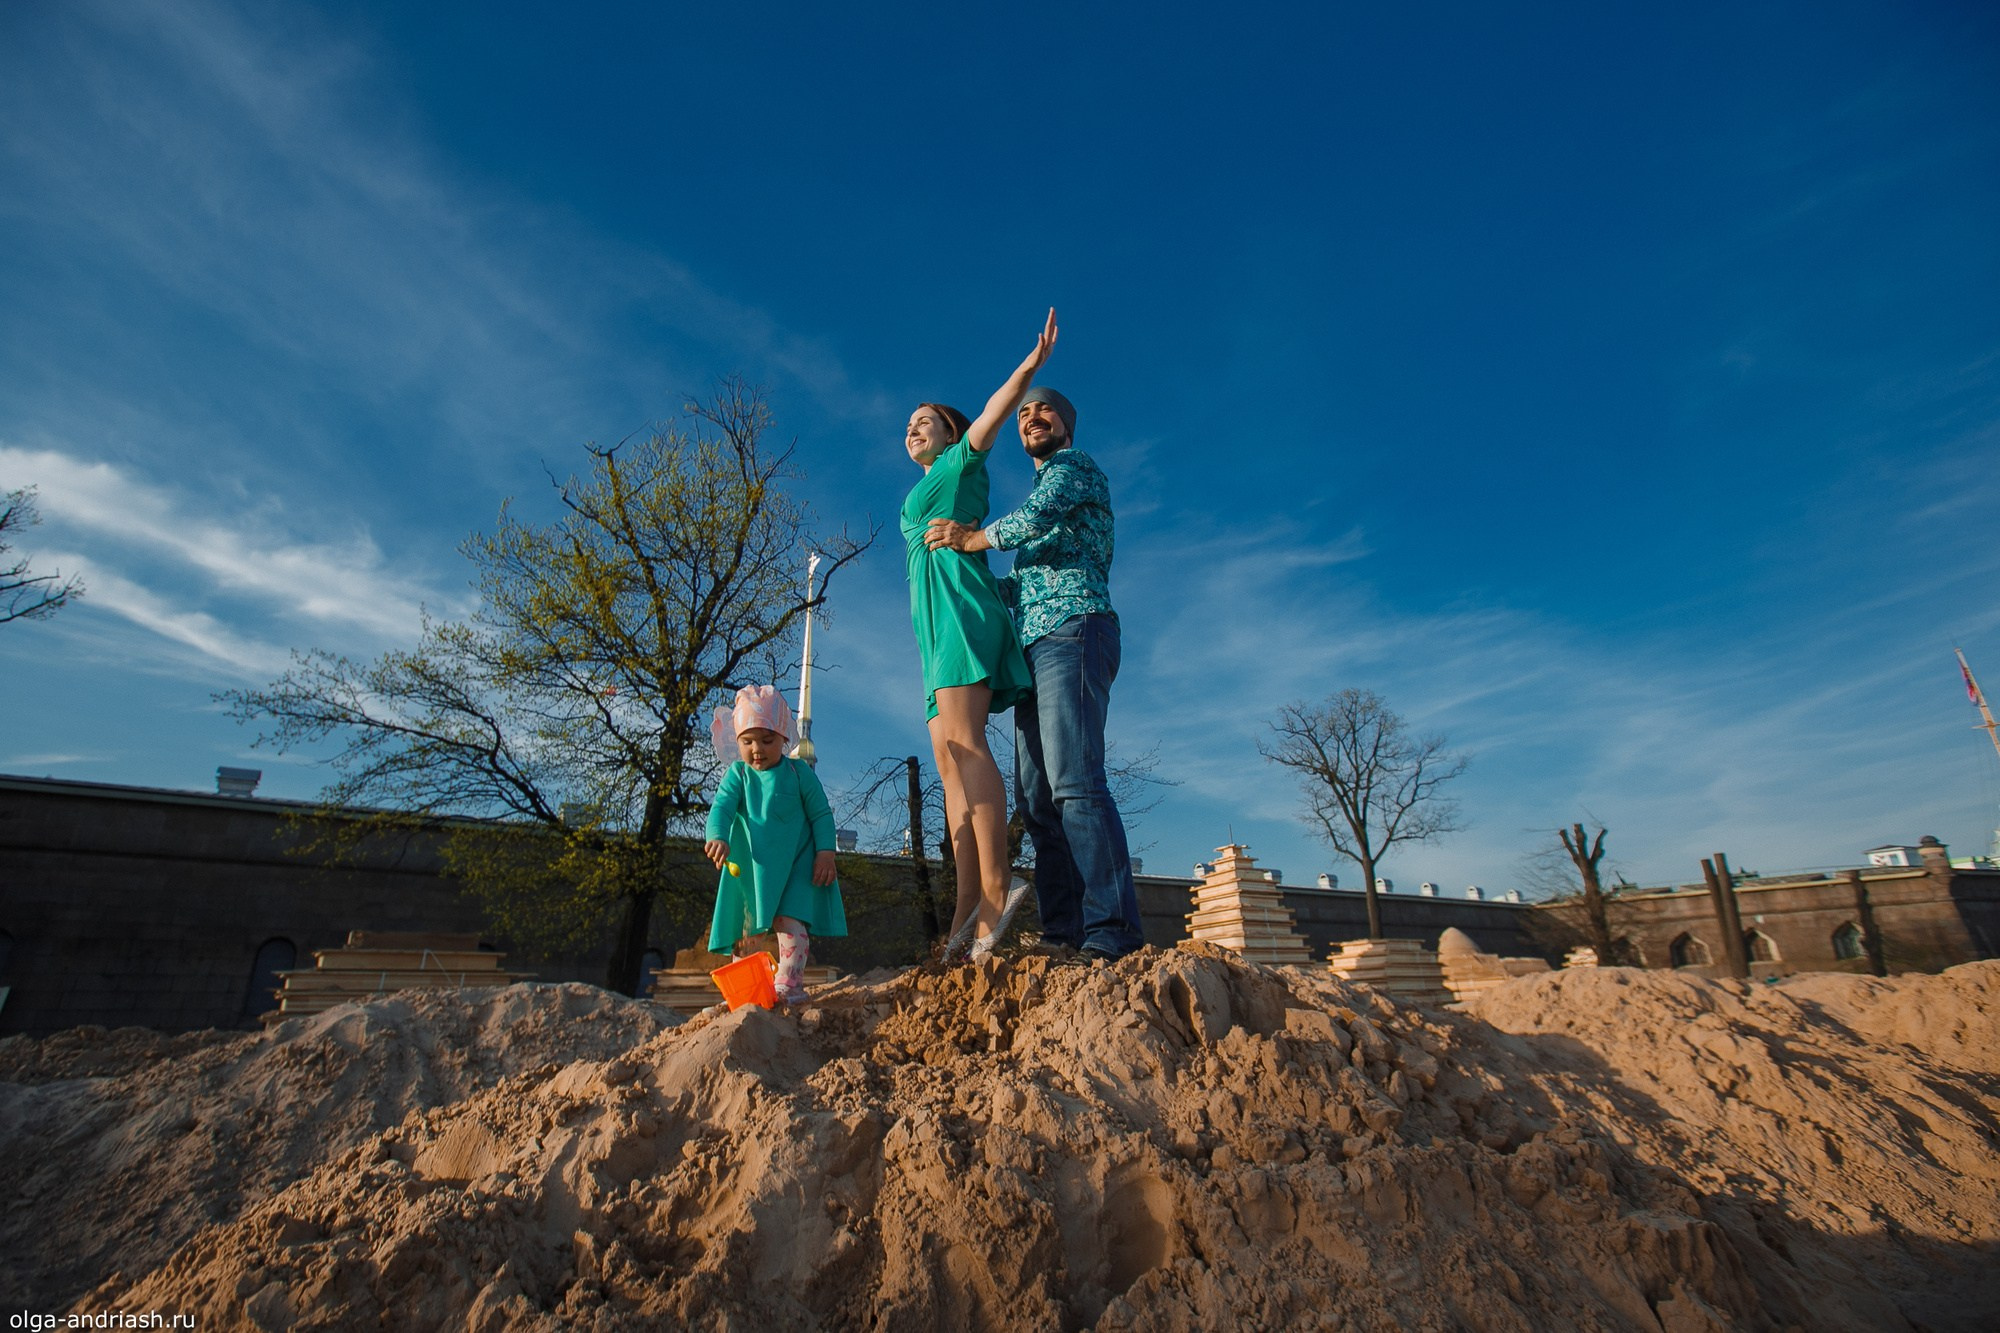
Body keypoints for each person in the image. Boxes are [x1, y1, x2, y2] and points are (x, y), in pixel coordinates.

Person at [924, 383, 1145, 961]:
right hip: (1035, 643)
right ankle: (1063, 931)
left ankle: (1113, 930)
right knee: (1038, 798)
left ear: (1067, 423)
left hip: (1076, 629)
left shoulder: (1075, 471)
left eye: (1043, 409)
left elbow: (1032, 518)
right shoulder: (1044, 496)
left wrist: (975, 537)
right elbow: (1018, 586)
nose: (1031, 418)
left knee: (1075, 781)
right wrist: (962, 586)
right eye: (1023, 413)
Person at [900, 309, 1057, 960]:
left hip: (963, 609)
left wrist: (1027, 367)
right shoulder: (925, 486)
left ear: (951, 434)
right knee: (947, 768)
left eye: (925, 422)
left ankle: (998, 888)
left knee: (966, 745)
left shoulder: (961, 464)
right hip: (934, 630)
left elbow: (995, 413)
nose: (914, 430)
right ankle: (966, 909)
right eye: (908, 426)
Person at [703, 684, 846, 1005]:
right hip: (752, 869)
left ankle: (789, 984)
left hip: (796, 866)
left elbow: (821, 813)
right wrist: (717, 837)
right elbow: (721, 809)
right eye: (747, 741)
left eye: (767, 740)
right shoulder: (737, 775)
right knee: (746, 935)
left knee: (792, 927)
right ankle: (747, 992)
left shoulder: (798, 774)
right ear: (735, 741)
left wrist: (825, 852)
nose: (757, 749)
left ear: (784, 738)